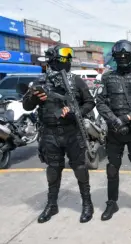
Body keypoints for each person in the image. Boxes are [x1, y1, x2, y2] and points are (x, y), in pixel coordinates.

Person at [22, 45, 95, 223]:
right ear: (53, 59)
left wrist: (74, 111)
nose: (67, 60)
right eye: (64, 56)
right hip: (49, 133)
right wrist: (34, 97)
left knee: (80, 168)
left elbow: (90, 102)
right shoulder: (41, 82)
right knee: (53, 170)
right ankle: (52, 204)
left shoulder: (76, 81)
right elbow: (27, 106)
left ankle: (87, 204)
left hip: (72, 131)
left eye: (69, 57)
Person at [96, 40, 131, 221]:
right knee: (112, 169)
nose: (122, 59)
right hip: (115, 132)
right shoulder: (107, 78)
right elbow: (100, 102)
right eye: (119, 56)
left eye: (126, 56)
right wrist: (114, 120)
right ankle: (112, 203)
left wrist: (126, 119)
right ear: (114, 58)